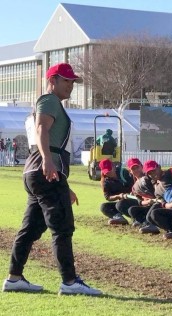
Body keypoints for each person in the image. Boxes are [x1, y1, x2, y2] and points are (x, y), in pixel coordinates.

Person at [3, 63, 102, 295]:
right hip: (45, 170)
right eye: (66, 80)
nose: (70, 85)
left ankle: (14, 277)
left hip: (36, 172)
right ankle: (70, 282)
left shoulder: (51, 103)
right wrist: (48, 161)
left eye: (72, 81)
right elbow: (41, 130)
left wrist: (63, 184)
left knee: (30, 229)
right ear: (53, 80)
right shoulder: (49, 101)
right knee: (62, 227)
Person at [122, 158, 160, 234]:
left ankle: (150, 223)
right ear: (130, 171)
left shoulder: (148, 177)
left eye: (137, 167)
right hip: (148, 204)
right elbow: (140, 202)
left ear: (141, 166)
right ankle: (143, 221)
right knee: (131, 210)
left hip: (158, 203)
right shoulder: (134, 187)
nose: (136, 170)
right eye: (133, 169)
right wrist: (148, 202)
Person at [98, 159, 134, 225]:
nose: (108, 173)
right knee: (104, 207)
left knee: (120, 205)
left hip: (134, 200)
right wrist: (118, 196)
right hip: (122, 201)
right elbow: (108, 197)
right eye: (106, 172)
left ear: (113, 166)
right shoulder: (106, 182)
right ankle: (119, 218)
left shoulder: (124, 173)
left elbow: (134, 185)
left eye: (109, 170)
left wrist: (130, 194)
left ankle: (136, 218)